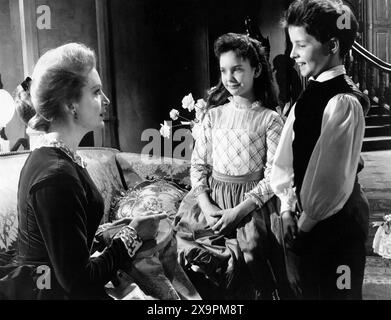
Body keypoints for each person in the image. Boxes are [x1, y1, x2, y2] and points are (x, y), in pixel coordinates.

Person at [0, 43, 167, 300]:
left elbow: (68, 239)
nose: (107, 100)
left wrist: (115, 230)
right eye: (97, 91)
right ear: (71, 105)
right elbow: (78, 282)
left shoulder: (61, 157)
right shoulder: (55, 175)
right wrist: (132, 235)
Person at [174, 33, 289, 299]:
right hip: (212, 203)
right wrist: (205, 205)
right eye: (224, 70)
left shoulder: (269, 120)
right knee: (200, 266)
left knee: (250, 264)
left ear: (256, 70)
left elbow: (273, 175)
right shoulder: (213, 116)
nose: (230, 77)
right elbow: (199, 166)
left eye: (237, 69)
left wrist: (239, 212)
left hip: (251, 208)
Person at [270, 0, 370, 300]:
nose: (292, 54)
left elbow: (328, 184)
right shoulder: (308, 96)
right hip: (308, 218)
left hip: (337, 223)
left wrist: (299, 234)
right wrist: (287, 208)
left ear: (332, 45)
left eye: (301, 44)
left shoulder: (344, 102)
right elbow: (284, 159)